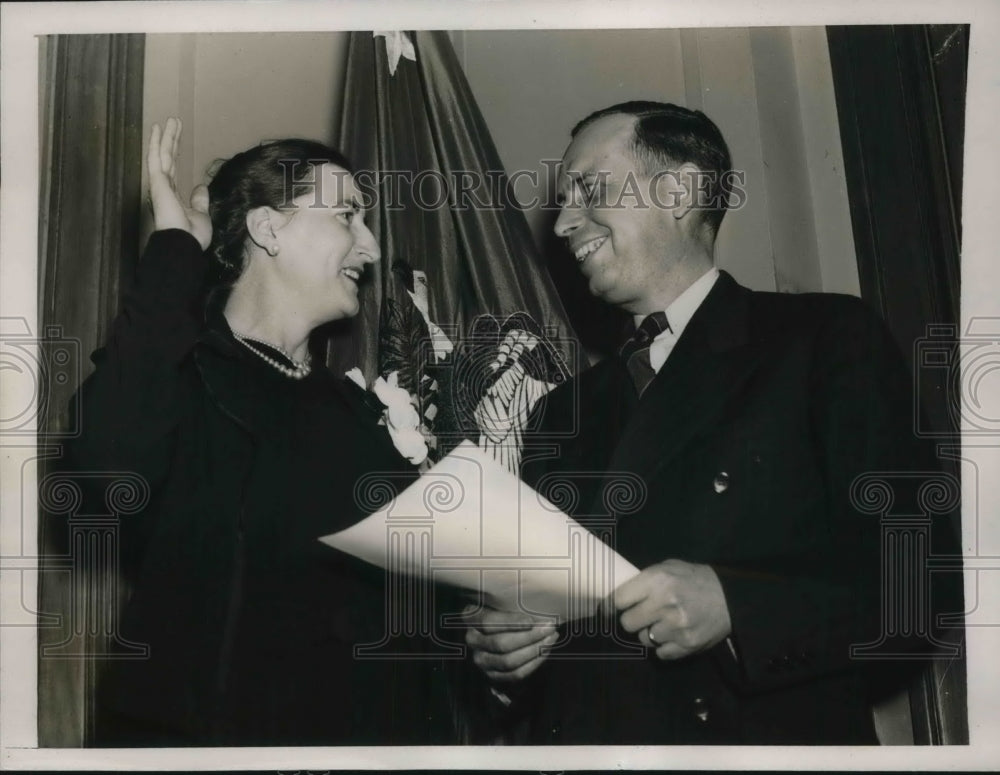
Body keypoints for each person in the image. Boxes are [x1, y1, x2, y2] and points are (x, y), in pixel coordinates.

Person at [464, 101, 961, 744]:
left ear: (680, 191)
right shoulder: (562, 410)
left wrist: (736, 606)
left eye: (590, 189)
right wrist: (506, 659)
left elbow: (919, 580)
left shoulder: (824, 339)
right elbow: (546, 634)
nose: (562, 223)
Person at [68, 118, 453, 746]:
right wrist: (174, 250)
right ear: (268, 227)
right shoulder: (183, 378)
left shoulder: (355, 415)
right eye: (348, 216)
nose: (373, 248)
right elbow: (104, 475)